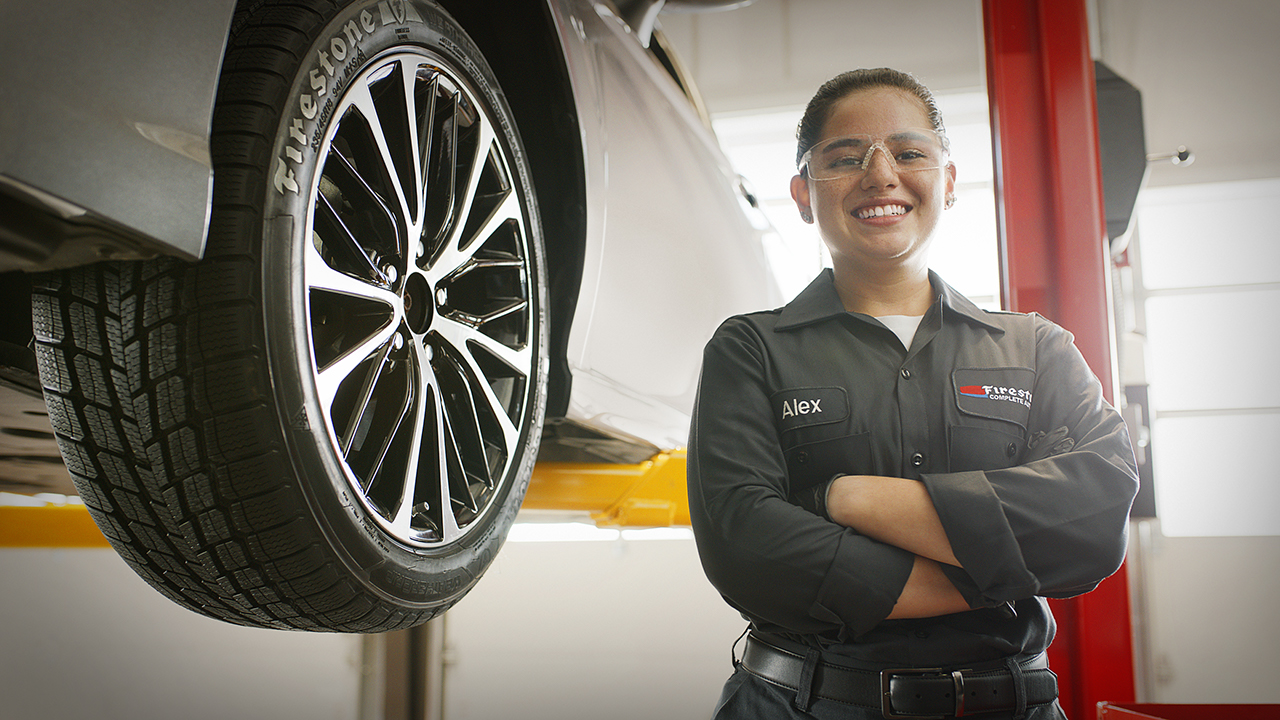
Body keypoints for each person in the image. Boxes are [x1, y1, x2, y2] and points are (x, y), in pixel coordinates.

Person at [686, 68, 1139, 720]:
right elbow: (746, 548)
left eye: (908, 153)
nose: (879, 175)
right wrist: (1002, 569)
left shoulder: (1036, 349)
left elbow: (1095, 521)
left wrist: (847, 497)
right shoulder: (750, 349)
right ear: (803, 194)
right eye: (844, 158)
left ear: (948, 182)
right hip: (799, 705)